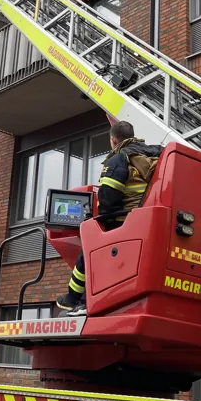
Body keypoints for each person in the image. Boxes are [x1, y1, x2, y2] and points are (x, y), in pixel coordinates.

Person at [56, 121, 163, 315]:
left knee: (89, 246)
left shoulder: (118, 159)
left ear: (113, 140)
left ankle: (73, 299)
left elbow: (107, 198)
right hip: (146, 222)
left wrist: (101, 221)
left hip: (125, 220)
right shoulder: (154, 154)